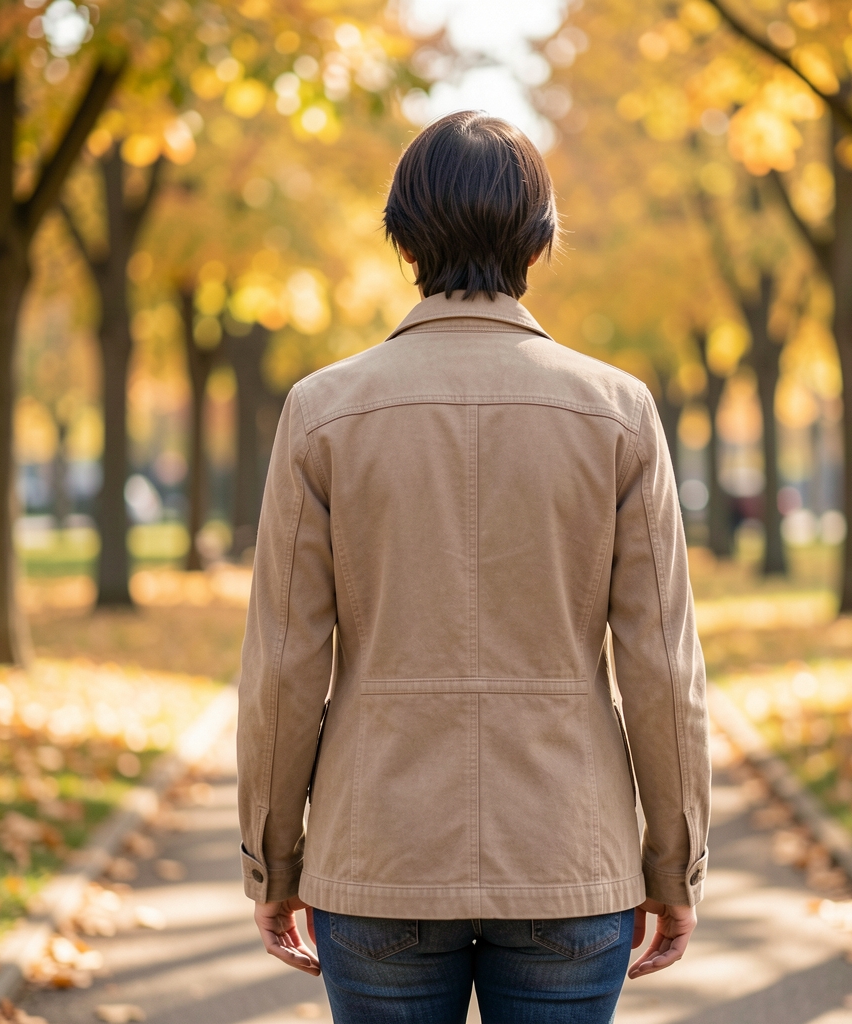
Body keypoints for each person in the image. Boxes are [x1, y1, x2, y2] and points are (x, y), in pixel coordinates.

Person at [237, 110, 710, 1024]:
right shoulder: (619, 412)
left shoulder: (322, 412)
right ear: (540, 239)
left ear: (403, 239)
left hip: (377, 854)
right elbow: (662, 669)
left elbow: (285, 665)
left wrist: (276, 861)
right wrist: (673, 865)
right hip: (570, 855)